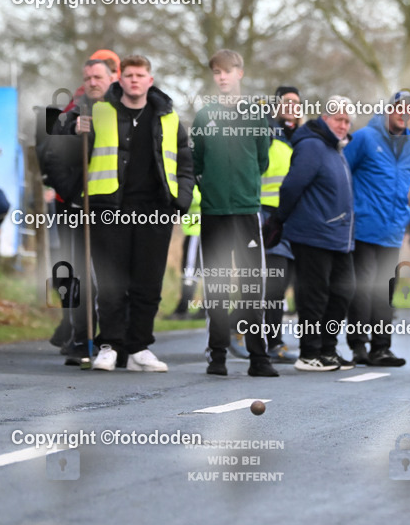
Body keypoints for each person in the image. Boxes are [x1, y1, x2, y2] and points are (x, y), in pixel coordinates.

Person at [75, 55, 194, 371]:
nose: (134, 80)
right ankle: (110, 346)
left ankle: (139, 347)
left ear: (149, 80)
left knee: (148, 284)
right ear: (120, 79)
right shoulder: (97, 111)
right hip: (108, 208)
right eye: (128, 75)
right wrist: (71, 130)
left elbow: (186, 163)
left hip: (156, 211)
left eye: (140, 75)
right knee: (111, 283)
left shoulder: (169, 118)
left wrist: (180, 201)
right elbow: (66, 150)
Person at [192, 49, 276, 377]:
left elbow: (262, 160)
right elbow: (197, 163)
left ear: (240, 73)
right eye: (217, 72)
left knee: (252, 285)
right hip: (213, 213)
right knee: (216, 286)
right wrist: (213, 189)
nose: (222, 77)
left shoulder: (256, 115)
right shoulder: (204, 116)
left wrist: (244, 187)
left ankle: (259, 358)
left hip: (245, 212)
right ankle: (217, 355)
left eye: (227, 70)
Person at [271, 97, 357, 371]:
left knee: (343, 291)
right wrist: (279, 219)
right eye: (338, 119)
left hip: (339, 237)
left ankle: (327, 350)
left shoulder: (335, 148)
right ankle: (309, 353)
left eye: (347, 121)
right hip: (312, 234)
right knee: (314, 296)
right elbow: (291, 186)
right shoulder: (312, 146)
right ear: (325, 118)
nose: (343, 125)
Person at [44, 52, 119, 353]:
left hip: (118, 205)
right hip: (78, 205)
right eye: (88, 77)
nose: (93, 82)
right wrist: (72, 194)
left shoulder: (125, 110)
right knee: (78, 271)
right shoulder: (71, 111)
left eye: (99, 76)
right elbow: (51, 154)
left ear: (113, 76)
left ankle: (114, 339)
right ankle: (79, 336)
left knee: (112, 273)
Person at [342, 90, 410, 366]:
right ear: (388, 110)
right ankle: (358, 346)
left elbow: (407, 185)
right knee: (363, 288)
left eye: (409, 109)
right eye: (398, 107)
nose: (403, 113)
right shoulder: (364, 137)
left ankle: (382, 348)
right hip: (363, 227)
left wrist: (405, 219)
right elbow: (342, 173)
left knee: (386, 290)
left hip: (392, 231)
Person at [259, 86, 301, 363]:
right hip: (269, 216)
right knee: (275, 282)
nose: (292, 107)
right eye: (287, 102)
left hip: (296, 219)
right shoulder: (266, 132)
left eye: (297, 103)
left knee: (287, 283)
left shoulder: (302, 137)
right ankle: (272, 342)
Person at [166, 184, 203, 320]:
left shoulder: (197, 182)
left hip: (196, 231)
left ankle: (183, 309)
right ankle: (202, 309)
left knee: (190, 271)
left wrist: (181, 196)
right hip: (193, 230)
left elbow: (195, 198)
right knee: (196, 270)